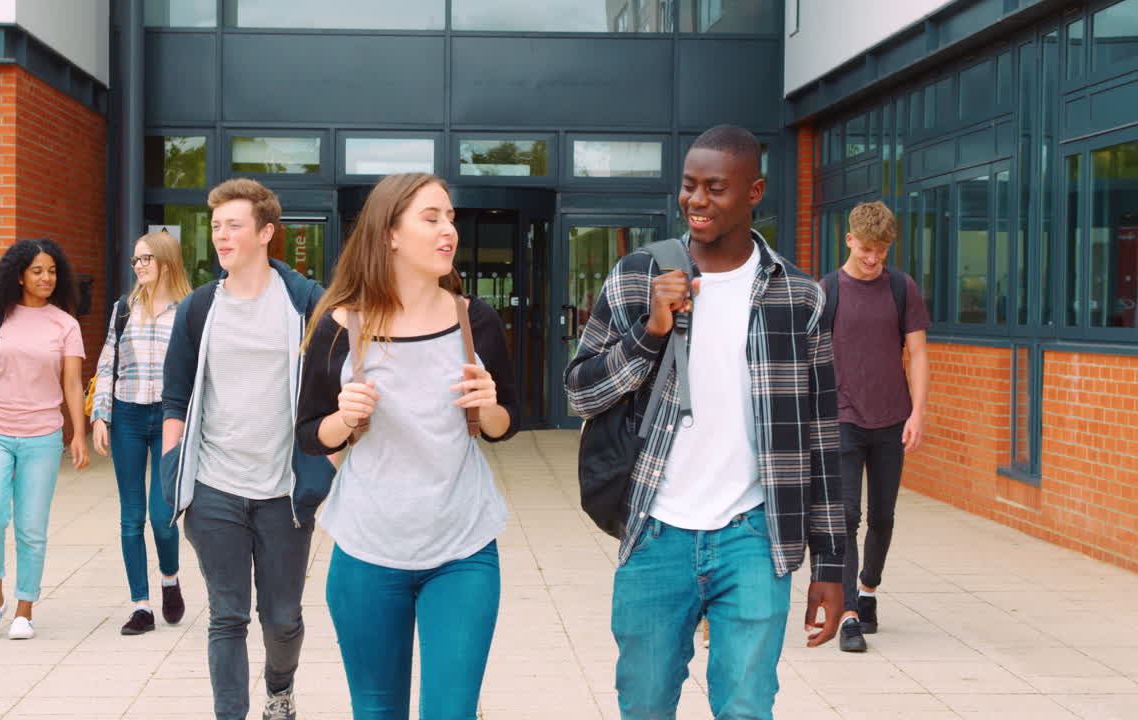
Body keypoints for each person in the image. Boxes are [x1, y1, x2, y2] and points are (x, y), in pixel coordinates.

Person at [564, 125, 845, 720]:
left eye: (715, 188)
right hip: (655, 530)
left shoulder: (799, 297)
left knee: (746, 708)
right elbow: (580, 393)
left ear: (754, 192)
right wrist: (650, 331)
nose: (696, 200)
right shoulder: (637, 276)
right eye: (689, 185)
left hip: (754, 535)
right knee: (644, 705)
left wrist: (830, 563)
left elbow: (822, 436)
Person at [295, 172, 518, 720]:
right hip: (367, 552)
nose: (449, 231)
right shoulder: (340, 326)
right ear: (389, 234)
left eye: (450, 219)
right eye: (431, 218)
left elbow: (505, 424)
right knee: (377, 711)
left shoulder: (476, 320)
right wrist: (343, 419)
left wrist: (488, 405)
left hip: (463, 549)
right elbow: (308, 434)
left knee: (452, 711)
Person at [161, 178, 334, 720]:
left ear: (265, 233)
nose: (221, 235)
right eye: (216, 226)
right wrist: (172, 466)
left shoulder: (306, 303)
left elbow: (339, 383)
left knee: (282, 619)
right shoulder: (199, 308)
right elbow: (175, 397)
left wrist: (325, 463)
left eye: (233, 225)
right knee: (227, 616)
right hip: (214, 488)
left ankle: (279, 690)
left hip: (284, 491)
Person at [0, 238, 89, 641]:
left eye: (52, 271)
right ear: (19, 276)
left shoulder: (65, 324)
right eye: (37, 271)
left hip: (43, 435)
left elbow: (72, 383)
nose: (46, 278)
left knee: (31, 527)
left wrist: (78, 433)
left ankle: (24, 611)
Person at [825, 201, 930, 653]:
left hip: (892, 419)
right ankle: (848, 614)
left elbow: (918, 353)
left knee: (882, 517)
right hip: (843, 418)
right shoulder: (828, 290)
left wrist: (918, 412)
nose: (873, 259)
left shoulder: (902, 288)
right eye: (866, 249)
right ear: (849, 240)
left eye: (881, 251)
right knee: (846, 517)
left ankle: (868, 589)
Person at [90, 230, 193, 636]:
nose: (139, 266)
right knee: (131, 517)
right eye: (135, 260)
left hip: (170, 418)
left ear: (166, 261)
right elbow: (107, 363)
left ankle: (169, 578)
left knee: (162, 517)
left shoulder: (188, 311)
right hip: (128, 416)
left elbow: (199, 370)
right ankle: (141, 606)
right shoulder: (124, 309)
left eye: (146, 258)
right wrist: (100, 415)